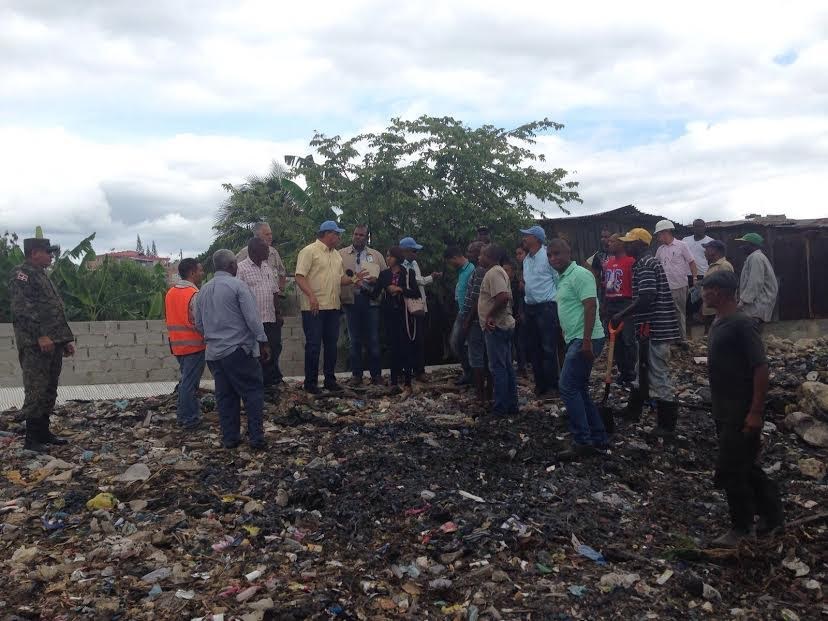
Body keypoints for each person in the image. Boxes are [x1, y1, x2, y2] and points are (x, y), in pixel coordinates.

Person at [703, 270, 784, 547]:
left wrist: (756, 412)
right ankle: (773, 516)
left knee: (731, 469)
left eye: (709, 289)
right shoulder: (719, 321)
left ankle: (741, 527)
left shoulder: (741, 324)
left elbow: (760, 367)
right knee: (746, 465)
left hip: (741, 408)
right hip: (723, 407)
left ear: (723, 292)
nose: (704, 293)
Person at [195, 249, 270, 450]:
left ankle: (230, 438)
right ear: (231, 266)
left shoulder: (203, 290)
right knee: (253, 391)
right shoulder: (238, 286)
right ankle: (256, 438)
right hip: (237, 351)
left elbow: (199, 324)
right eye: (235, 264)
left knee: (226, 396)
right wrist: (263, 341)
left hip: (214, 354)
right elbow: (253, 320)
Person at [610, 228, 681, 439]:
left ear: (640, 244)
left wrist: (621, 314)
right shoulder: (644, 263)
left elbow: (647, 297)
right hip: (649, 326)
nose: (626, 245)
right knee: (641, 370)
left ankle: (666, 425)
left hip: (656, 327)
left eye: (630, 242)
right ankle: (633, 411)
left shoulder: (645, 264)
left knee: (658, 373)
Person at [9, 237, 75, 452]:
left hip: (53, 342)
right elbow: (23, 310)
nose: (51, 256)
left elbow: (54, 311)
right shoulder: (23, 275)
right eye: (48, 252)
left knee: (49, 389)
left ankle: (44, 433)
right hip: (35, 344)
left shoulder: (42, 276)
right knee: (36, 390)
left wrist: (64, 340)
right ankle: (32, 440)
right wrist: (40, 336)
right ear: (35, 252)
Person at [548, 238, 608, 459]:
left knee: (567, 387)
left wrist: (585, 342)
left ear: (568, 253)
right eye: (550, 255)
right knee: (579, 388)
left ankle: (583, 440)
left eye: (557, 254)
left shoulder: (581, 275)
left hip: (585, 339)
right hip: (576, 339)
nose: (553, 258)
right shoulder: (562, 278)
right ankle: (598, 437)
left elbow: (590, 306)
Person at [295, 221, 367, 394]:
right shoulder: (309, 251)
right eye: (337, 234)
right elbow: (299, 276)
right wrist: (311, 296)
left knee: (331, 346)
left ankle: (329, 380)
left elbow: (340, 279)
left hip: (333, 307)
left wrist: (354, 279)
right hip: (314, 308)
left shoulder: (336, 255)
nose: (339, 238)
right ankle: (311, 383)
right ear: (328, 234)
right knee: (313, 346)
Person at [236, 221, 287, 384]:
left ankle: (272, 381)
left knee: (274, 347)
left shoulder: (266, 266)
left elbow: (274, 290)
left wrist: (278, 313)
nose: (268, 250)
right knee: (257, 354)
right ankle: (258, 383)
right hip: (253, 320)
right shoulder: (241, 267)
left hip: (270, 317)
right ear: (254, 250)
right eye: (267, 235)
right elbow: (236, 294)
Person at [340, 225, 387, 386]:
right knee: (354, 340)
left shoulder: (376, 255)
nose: (358, 237)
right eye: (355, 234)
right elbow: (336, 277)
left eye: (361, 235)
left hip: (371, 302)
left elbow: (386, 277)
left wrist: (377, 280)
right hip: (351, 302)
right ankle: (356, 376)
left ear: (366, 237)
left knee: (373, 339)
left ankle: (376, 375)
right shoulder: (341, 255)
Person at [164, 258, 206, 429]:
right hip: (194, 345)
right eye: (200, 270)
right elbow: (199, 321)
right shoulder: (194, 294)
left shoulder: (170, 293)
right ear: (192, 272)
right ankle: (189, 419)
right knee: (189, 383)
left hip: (177, 345)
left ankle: (186, 415)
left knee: (187, 382)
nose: (202, 273)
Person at [519, 225, 560, 397]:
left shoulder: (547, 256)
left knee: (548, 348)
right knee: (534, 348)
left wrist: (558, 304)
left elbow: (557, 280)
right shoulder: (527, 259)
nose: (524, 239)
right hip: (531, 307)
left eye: (527, 236)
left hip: (546, 307)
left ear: (536, 238)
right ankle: (540, 385)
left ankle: (553, 386)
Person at [477, 244, 518, 417]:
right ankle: (511, 405)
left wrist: (489, 316)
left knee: (498, 368)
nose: (479, 258)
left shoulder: (493, 272)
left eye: (481, 254)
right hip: (502, 325)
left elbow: (502, 296)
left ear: (489, 256)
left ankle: (501, 408)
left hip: (497, 327)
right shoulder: (498, 272)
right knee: (506, 366)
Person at [376, 247, 421, 390]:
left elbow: (416, 293)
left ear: (397, 257)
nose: (387, 258)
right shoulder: (384, 274)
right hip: (389, 315)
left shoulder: (408, 273)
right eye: (386, 256)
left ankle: (408, 381)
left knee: (406, 347)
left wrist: (400, 289)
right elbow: (374, 293)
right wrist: (361, 284)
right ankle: (394, 381)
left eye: (390, 256)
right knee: (392, 348)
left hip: (405, 316)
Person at [399, 236, 441, 381]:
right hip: (407, 308)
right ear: (405, 251)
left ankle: (418, 370)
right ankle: (409, 371)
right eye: (413, 251)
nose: (416, 254)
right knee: (409, 339)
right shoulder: (401, 267)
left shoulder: (414, 263)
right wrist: (431, 278)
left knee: (419, 339)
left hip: (418, 305)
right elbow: (417, 281)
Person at [601, 234, 637, 384]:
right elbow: (606, 286)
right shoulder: (608, 263)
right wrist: (604, 304)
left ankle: (632, 372)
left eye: (613, 241)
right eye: (608, 241)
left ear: (622, 244)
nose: (609, 244)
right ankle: (623, 372)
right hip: (611, 303)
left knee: (628, 339)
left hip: (626, 302)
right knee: (615, 341)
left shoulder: (631, 262)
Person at [654, 219, 697, 341]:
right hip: (664, 287)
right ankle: (671, 339)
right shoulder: (660, 250)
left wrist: (694, 278)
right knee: (666, 314)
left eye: (659, 234)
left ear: (666, 232)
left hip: (679, 285)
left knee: (679, 313)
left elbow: (692, 262)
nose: (658, 237)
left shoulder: (682, 245)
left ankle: (682, 340)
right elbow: (656, 265)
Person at [445, 245, 476, 386]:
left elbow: (474, 294)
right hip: (462, 311)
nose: (450, 265)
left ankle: (473, 374)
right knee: (457, 343)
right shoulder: (461, 271)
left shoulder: (471, 270)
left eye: (450, 261)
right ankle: (469, 372)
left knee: (461, 343)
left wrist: (470, 315)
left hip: (468, 313)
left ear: (455, 258)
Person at [462, 243, 489, 404]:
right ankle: (487, 392)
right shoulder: (484, 270)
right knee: (484, 355)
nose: (470, 255)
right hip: (480, 318)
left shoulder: (479, 271)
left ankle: (480, 394)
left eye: (473, 252)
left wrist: (468, 319)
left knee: (477, 356)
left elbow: (476, 297)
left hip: (476, 319)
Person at [735, 233, 778, 333]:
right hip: (757, 304)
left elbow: (755, 282)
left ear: (752, 245)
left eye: (744, 244)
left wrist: (743, 301)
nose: (741, 247)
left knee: (752, 335)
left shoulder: (756, 258)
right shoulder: (755, 257)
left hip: (757, 304)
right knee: (754, 335)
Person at [701, 240, 734, 332]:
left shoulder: (724, 266)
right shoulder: (713, 265)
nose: (705, 252)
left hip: (718, 311)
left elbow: (728, 290)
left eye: (707, 249)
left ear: (715, 251)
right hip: (710, 310)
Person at [513, 246, 528, 376]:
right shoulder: (519, 270)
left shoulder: (529, 268)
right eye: (517, 254)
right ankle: (522, 366)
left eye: (521, 253)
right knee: (519, 339)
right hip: (521, 307)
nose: (519, 256)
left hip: (529, 306)